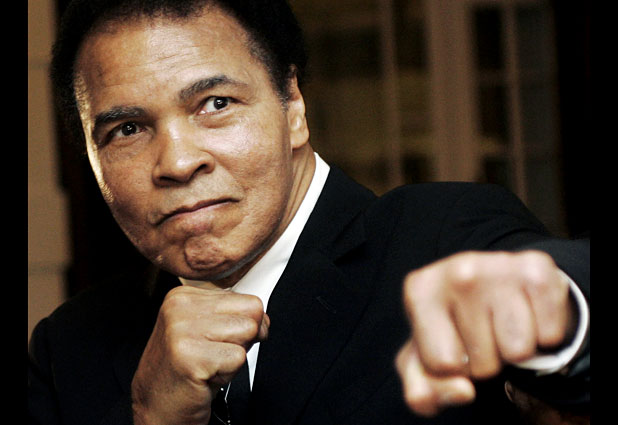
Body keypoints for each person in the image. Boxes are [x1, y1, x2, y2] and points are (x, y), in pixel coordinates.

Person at [28, 0, 589, 424]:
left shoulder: (443, 236)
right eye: (128, 129)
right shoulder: (69, 350)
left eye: (216, 104)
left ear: (292, 105)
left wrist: (559, 314)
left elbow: (559, 287)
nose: (176, 162)